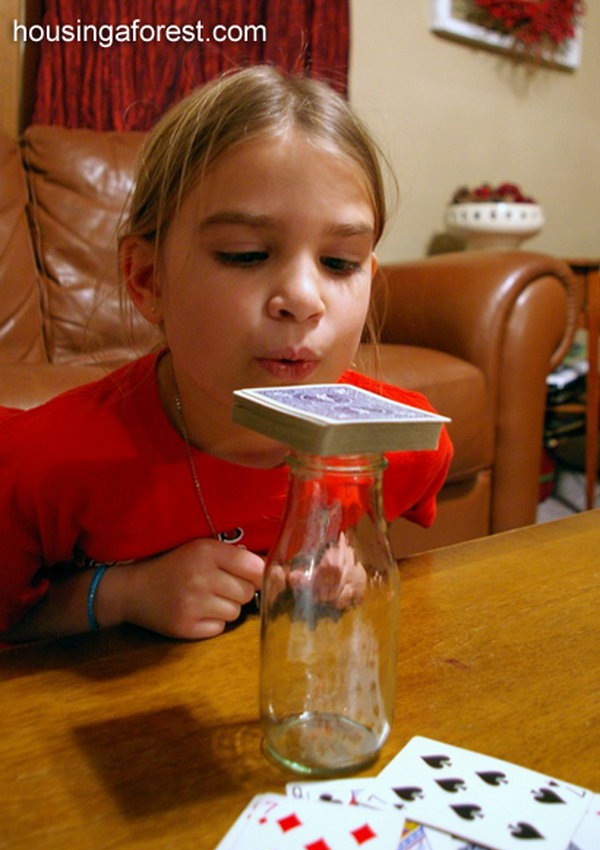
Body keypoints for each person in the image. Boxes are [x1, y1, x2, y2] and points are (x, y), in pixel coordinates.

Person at [0, 65, 452, 643]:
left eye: (340, 263)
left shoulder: (401, 443)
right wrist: (118, 595)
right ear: (147, 279)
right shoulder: (40, 468)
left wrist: (351, 567)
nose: (303, 299)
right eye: (245, 254)